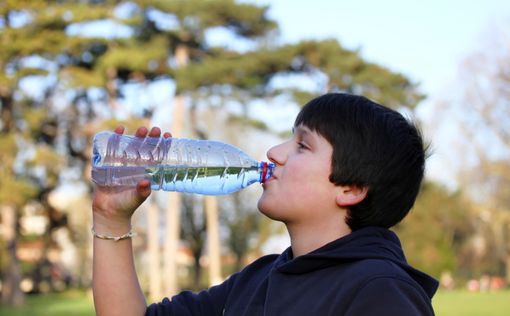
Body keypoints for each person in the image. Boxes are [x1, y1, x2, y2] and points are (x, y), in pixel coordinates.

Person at [92, 93, 438, 316]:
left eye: (303, 146)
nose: (274, 152)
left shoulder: (380, 290)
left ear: (351, 188)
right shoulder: (259, 279)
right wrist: (110, 219)